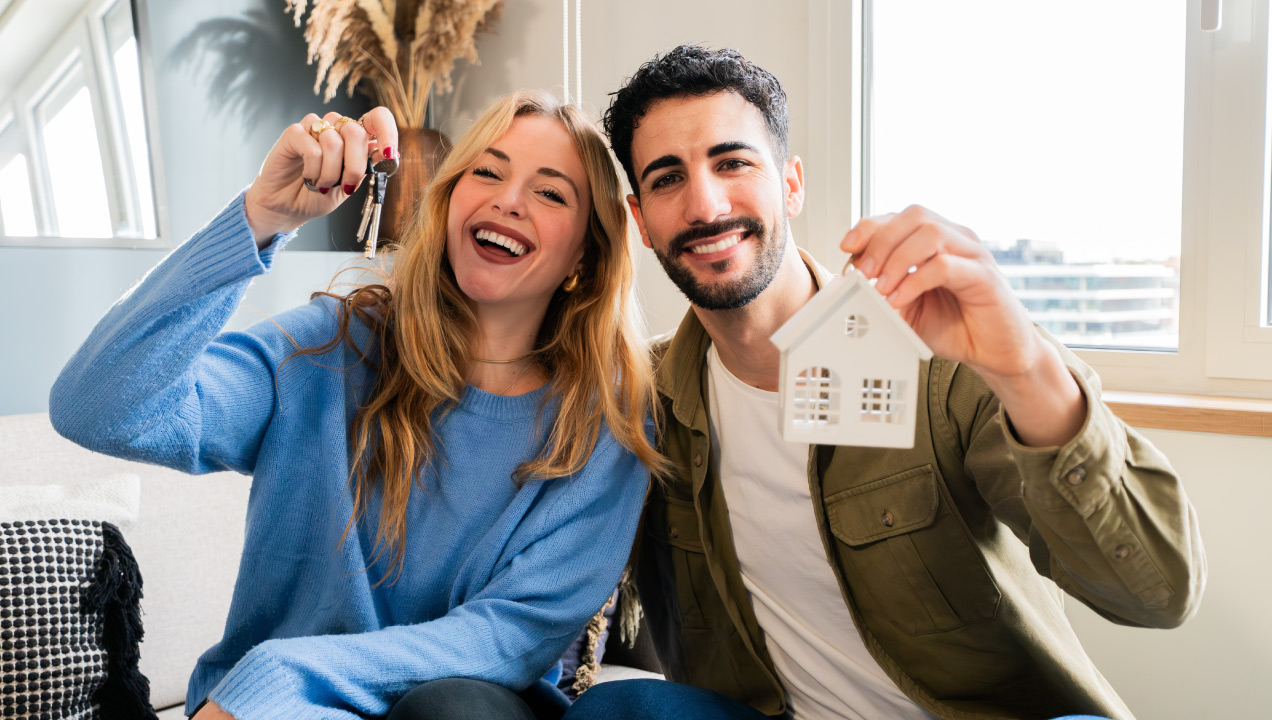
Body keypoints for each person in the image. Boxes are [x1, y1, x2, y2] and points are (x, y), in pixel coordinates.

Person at [563, 45, 1206, 720]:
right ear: (641, 220)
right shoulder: (641, 403)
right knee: (619, 709)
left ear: (791, 184)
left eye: (733, 163)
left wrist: (1024, 368)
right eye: (668, 179)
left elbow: (1159, 594)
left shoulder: (934, 358)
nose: (705, 204)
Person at [49, 89, 663, 720]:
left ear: (584, 256)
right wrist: (261, 216)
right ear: (450, 199)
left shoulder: (606, 429)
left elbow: (507, 637)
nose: (508, 200)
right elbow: (96, 407)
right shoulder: (329, 349)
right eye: (487, 171)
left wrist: (281, 672)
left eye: (551, 193)